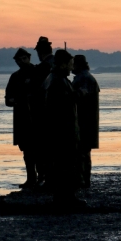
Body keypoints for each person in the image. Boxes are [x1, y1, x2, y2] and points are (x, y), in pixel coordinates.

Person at [44, 50, 85, 207]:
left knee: (65, 165)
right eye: (69, 64)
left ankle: (66, 196)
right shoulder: (57, 81)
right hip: (62, 131)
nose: (71, 67)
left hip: (63, 130)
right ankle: (65, 198)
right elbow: (63, 103)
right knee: (65, 165)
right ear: (62, 64)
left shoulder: (56, 79)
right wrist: (80, 94)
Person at [5, 48, 37, 188]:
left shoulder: (38, 73)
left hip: (37, 118)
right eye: (19, 60)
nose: (21, 62)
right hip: (22, 119)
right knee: (26, 151)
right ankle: (31, 178)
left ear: (29, 58)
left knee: (40, 149)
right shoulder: (15, 77)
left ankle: (43, 177)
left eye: (23, 58)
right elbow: (7, 99)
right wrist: (16, 100)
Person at [29, 36, 55, 186]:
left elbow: (37, 88)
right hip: (52, 112)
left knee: (43, 148)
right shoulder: (54, 65)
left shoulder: (44, 67)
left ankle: (46, 178)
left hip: (43, 113)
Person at [72, 54, 100, 189]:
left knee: (81, 153)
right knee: (83, 153)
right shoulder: (85, 77)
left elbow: (80, 96)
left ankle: (82, 181)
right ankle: (83, 180)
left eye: (73, 64)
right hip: (86, 122)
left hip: (84, 122)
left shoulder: (84, 79)